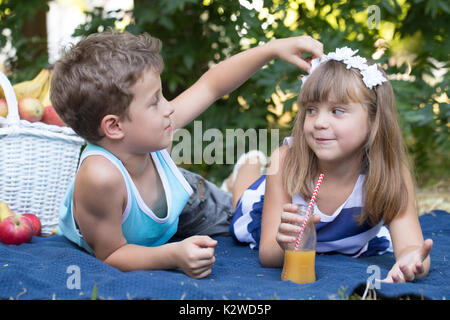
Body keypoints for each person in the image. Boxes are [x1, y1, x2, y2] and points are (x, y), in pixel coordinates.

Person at [50, 31, 323, 279]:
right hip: (143, 230)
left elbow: (211, 86)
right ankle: (241, 173)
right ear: (114, 126)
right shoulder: (100, 178)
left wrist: (272, 49)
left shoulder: (151, 129)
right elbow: (111, 254)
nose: (168, 108)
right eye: (155, 101)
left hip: (186, 199)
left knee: (245, 217)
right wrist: (173, 255)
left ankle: (244, 173)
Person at [229, 47, 433, 283]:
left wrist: (411, 262)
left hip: (340, 232)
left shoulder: (390, 173)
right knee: (241, 201)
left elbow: (410, 245)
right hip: (269, 206)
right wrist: (284, 242)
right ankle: (247, 165)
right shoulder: (285, 161)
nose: (319, 122)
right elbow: (268, 255)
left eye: (337, 111)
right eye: (312, 110)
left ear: (374, 119)